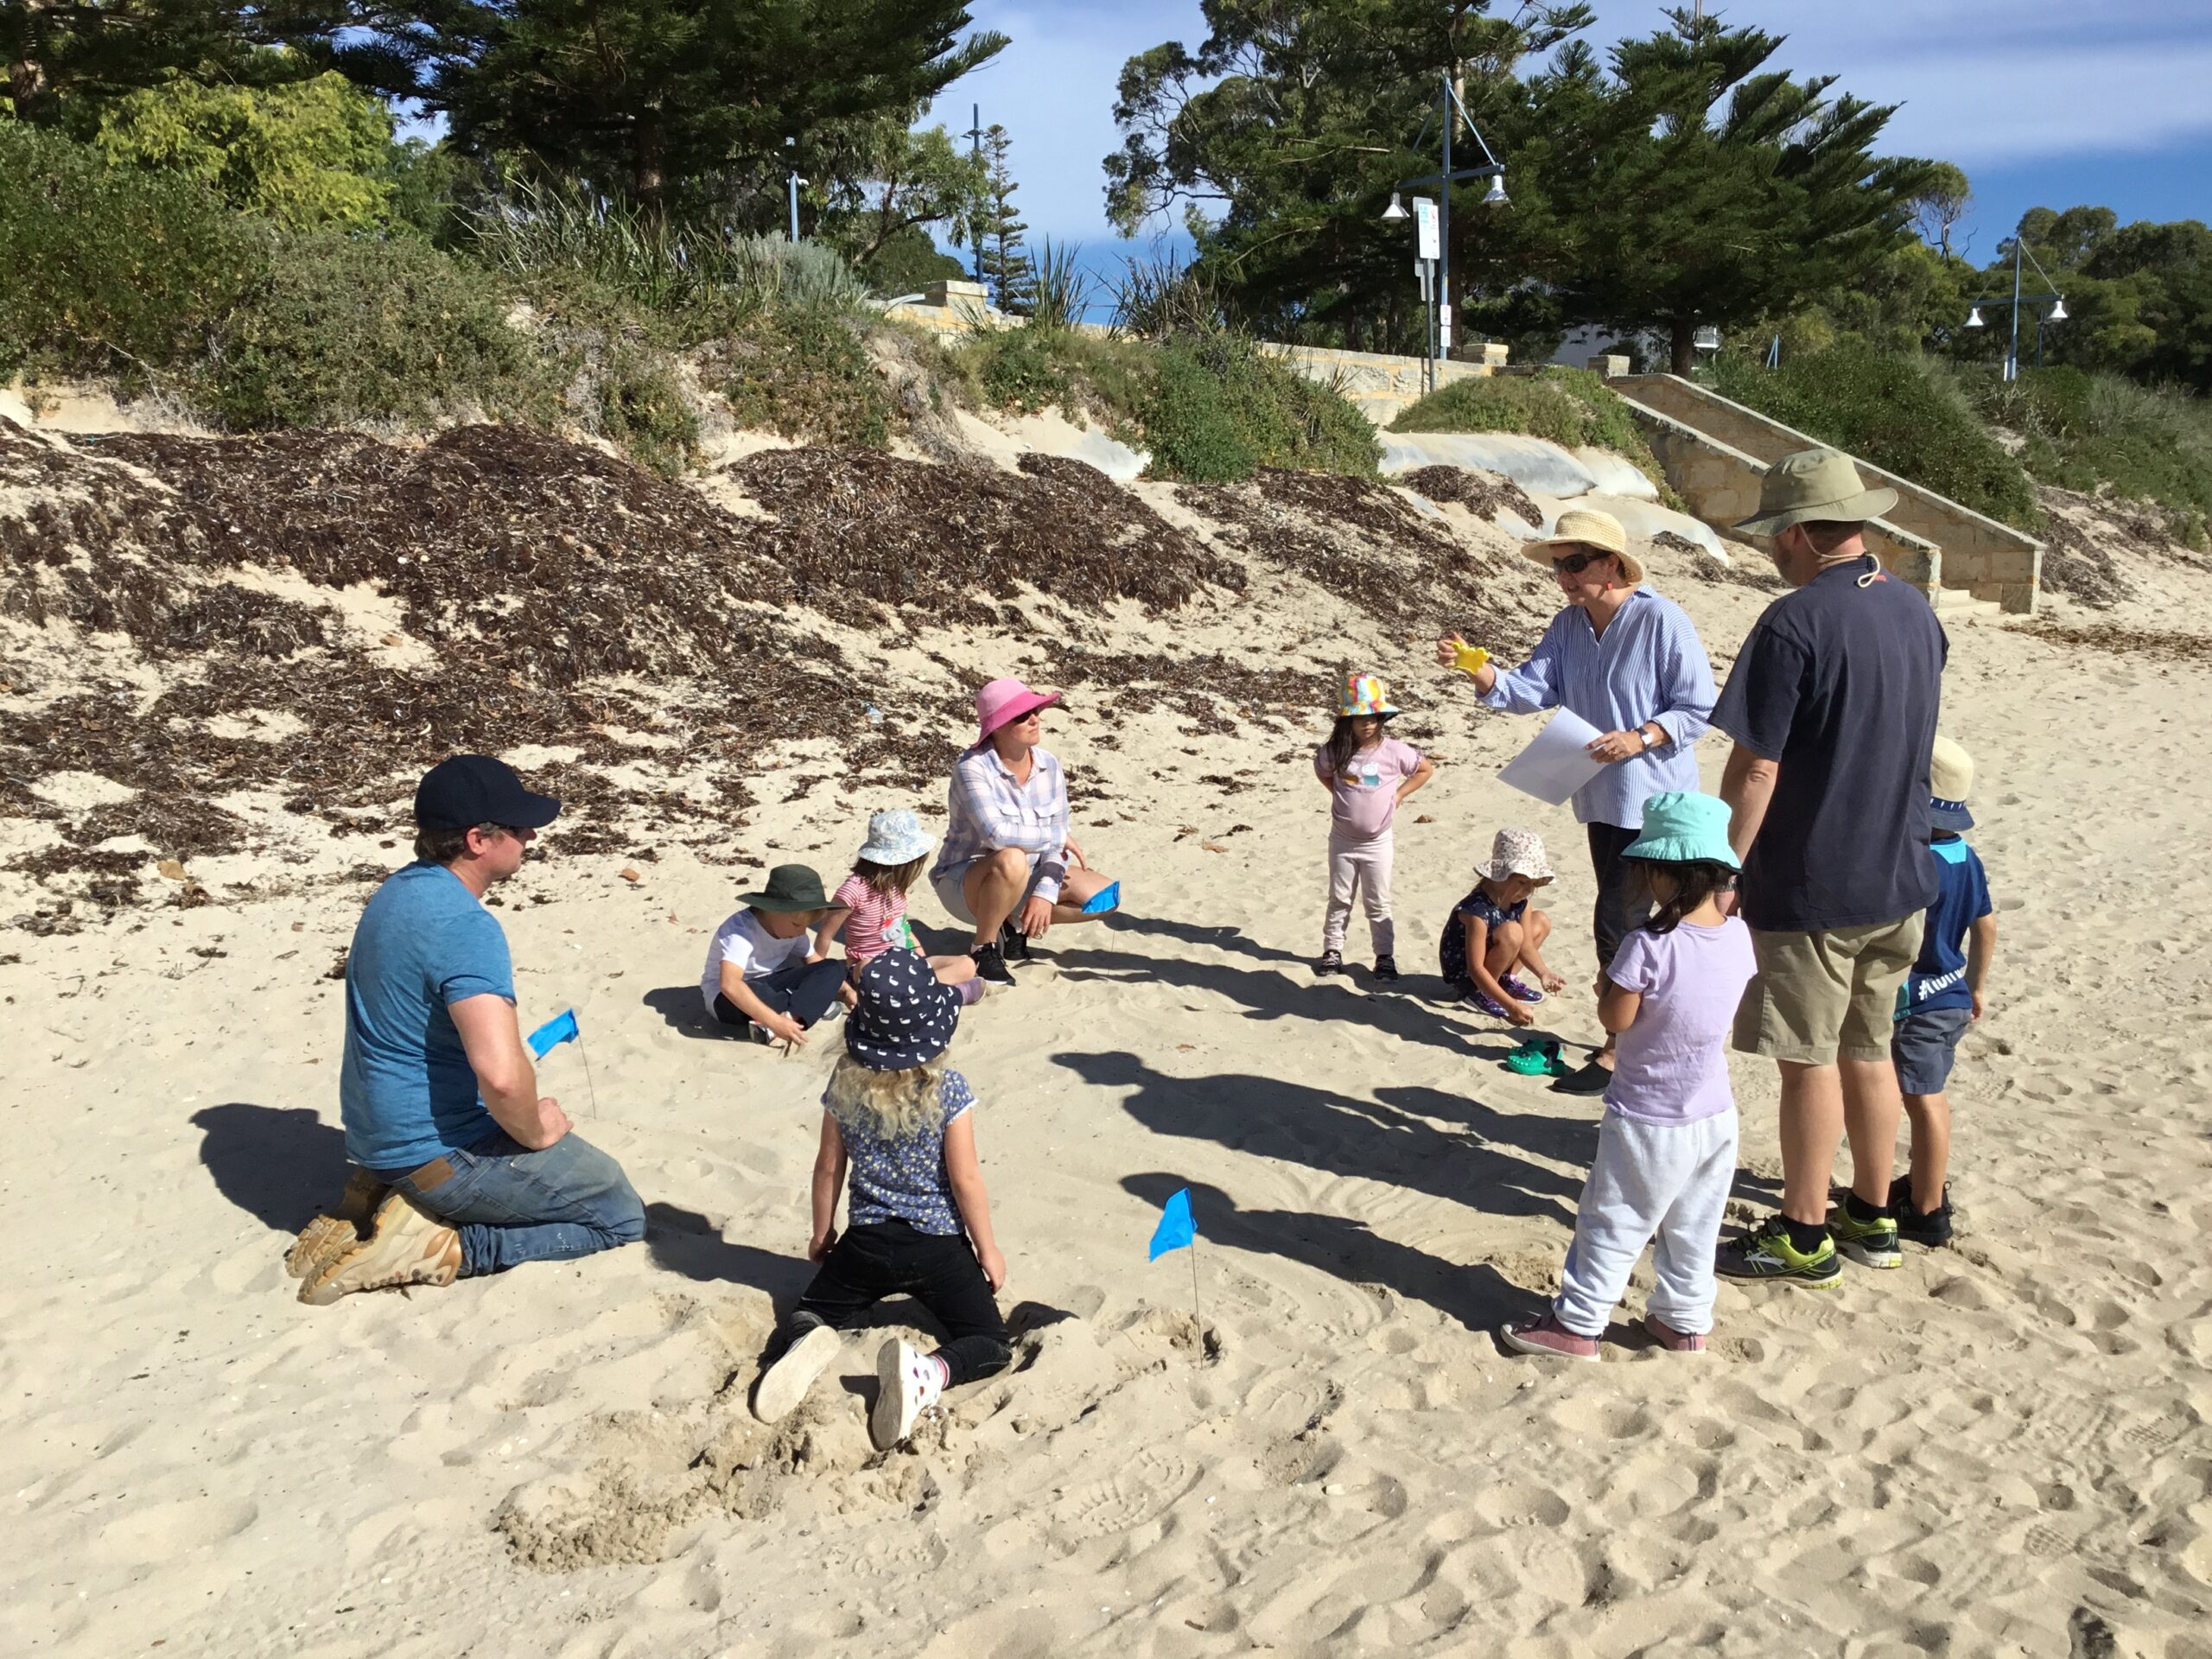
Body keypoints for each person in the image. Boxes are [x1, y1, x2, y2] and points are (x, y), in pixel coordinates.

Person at [1710, 448, 1947, 1289]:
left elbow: (1756, 768)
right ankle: (1871, 1214)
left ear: (1805, 534)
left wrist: (1720, 864)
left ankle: (1803, 1230)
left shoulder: (1792, 622)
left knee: (1805, 1059)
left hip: (1815, 881)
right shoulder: (1915, 609)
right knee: (1869, 1049)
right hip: (1901, 873)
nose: (1771, 547)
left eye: (1778, 531)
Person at [290, 754, 645, 1306]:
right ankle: (442, 1245)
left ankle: (382, 1195)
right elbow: (501, 1078)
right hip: (434, 1151)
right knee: (619, 1214)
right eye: (520, 827)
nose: (531, 836)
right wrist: (536, 1133)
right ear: (479, 840)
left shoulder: (399, 891)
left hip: (372, 1135)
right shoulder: (465, 926)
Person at [1436, 508, 1717, 1095]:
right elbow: (1527, 690)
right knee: (1630, 920)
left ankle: (1621, 1048)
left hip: (1658, 804)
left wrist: (1640, 736)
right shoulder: (1569, 626)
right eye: (1559, 567)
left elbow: (1697, 709)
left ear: (1612, 565)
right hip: (1599, 799)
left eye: (1575, 564)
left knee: (1623, 920)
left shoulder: (1663, 620)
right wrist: (1478, 669)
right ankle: (1641, 1035)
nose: (1564, 576)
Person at [1500, 793, 1760, 1358]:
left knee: (1613, 1220)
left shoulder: (1649, 944)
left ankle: (1577, 1323)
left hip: (1648, 1118)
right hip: (1715, 1114)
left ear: (1662, 875)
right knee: (1695, 1225)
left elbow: (1616, 1020)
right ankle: (1684, 1321)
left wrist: (1608, 992)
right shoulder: (1739, 937)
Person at [747, 950, 1011, 1451]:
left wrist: (822, 1233)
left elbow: (828, 1166)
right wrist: (989, 1249)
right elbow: (966, 1180)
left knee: (809, 1314)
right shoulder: (949, 1090)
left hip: (865, 1244)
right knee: (990, 1344)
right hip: (938, 1247)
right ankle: (930, 1372)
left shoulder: (844, 1085)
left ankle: (805, 1343)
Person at [928, 677, 1117, 986]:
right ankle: (983, 947)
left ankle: (1012, 922)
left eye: (1036, 710)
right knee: (1011, 858)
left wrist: (1044, 893)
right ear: (998, 726)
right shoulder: (972, 767)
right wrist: (1057, 838)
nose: (1035, 718)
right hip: (963, 881)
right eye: (1021, 715)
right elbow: (997, 836)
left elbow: (1057, 841)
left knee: (1106, 898)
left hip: (1026, 874)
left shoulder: (1049, 765)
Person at [1890, 735, 1997, 1248]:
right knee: (1922, 1094)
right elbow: (1987, 925)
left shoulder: (1916, 862)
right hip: (1953, 994)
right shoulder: (1964, 857)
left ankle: (1928, 1207)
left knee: (1923, 1099)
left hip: (1918, 1001)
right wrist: (1977, 985)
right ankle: (1922, 1184)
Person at [1313, 671, 1435, 981]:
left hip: (1377, 843)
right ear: (1347, 721)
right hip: (1342, 840)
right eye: (1361, 717)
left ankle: (1384, 957)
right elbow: (1323, 771)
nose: (1368, 723)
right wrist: (1338, 794)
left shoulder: (1394, 751)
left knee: (1377, 901)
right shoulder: (1336, 751)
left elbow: (1424, 769)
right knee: (1340, 897)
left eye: (1375, 717)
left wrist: (1399, 795)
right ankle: (1332, 951)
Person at [813, 808, 986, 1005]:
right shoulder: (853, 890)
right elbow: (825, 934)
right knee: (868, 968)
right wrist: (819, 975)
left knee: (966, 964)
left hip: (905, 962)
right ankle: (947, 994)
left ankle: (917, 993)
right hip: (870, 966)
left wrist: (920, 958)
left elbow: (903, 927)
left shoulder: (895, 888)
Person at [701, 864, 850, 1046]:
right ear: (773, 910)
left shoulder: (794, 930)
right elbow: (729, 985)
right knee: (765, 993)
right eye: (797, 925)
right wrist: (776, 1022)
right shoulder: (740, 931)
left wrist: (846, 990)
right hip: (727, 1000)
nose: (802, 931)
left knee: (833, 967)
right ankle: (795, 1014)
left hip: (772, 982)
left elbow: (814, 961)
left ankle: (791, 1016)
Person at [1439, 828, 1564, 1025]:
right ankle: (1480, 993)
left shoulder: (1521, 900)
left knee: (1540, 920)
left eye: (1533, 884)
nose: (1528, 890)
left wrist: (1544, 973)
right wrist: (1511, 1006)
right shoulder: (1476, 910)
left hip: (1496, 952)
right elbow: (1475, 968)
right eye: (1522, 882)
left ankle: (1506, 980)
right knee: (1513, 932)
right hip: (1467, 973)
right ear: (1500, 875)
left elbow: (1527, 946)